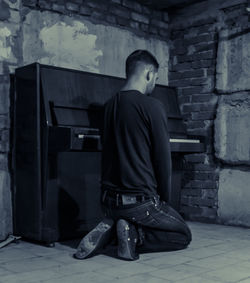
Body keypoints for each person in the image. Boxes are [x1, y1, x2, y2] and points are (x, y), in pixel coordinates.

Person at [74, 50, 192, 261]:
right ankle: (133, 235)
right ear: (148, 74)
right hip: (140, 204)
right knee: (182, 233)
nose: (153, 85)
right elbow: (163, 161)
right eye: (155, 78)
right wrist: (163, 202)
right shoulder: (153, 106)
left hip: (108, 201)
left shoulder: (109, 106)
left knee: (136, 214)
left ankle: (116, 225)